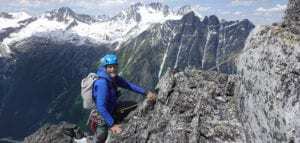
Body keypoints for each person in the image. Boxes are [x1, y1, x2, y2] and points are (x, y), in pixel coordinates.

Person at [92, 53, 156, 143]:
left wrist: (146, 92)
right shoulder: (102, 83)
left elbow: (129, 85)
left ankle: (117, 119)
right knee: (101, 137)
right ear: (105, 68)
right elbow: (101, 107)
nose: (113, 69)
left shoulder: (114, 79)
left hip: (113, 108)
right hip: (102, 116)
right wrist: (112, 125)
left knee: (133, 105)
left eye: (115, 66)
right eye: (110, 67)